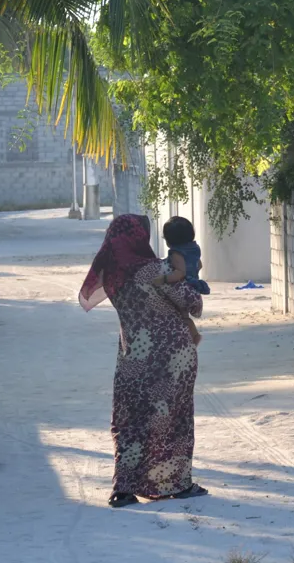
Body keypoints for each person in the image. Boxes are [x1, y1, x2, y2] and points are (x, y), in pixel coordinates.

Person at [78, 214, 208, 507]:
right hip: (172, 359)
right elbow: (194, 304)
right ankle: (176, 483)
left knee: (130, 421)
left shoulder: (113, 277)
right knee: (173, 419)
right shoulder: (157, 270)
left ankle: (123, 488)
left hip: (133, 360)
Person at [154, 216, 211, 295]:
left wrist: (163, 279)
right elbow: (199, 265)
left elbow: (180, 272)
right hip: (194, 290)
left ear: (169, 239)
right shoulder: (194, 248)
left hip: (184, 290)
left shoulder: (176, 253)